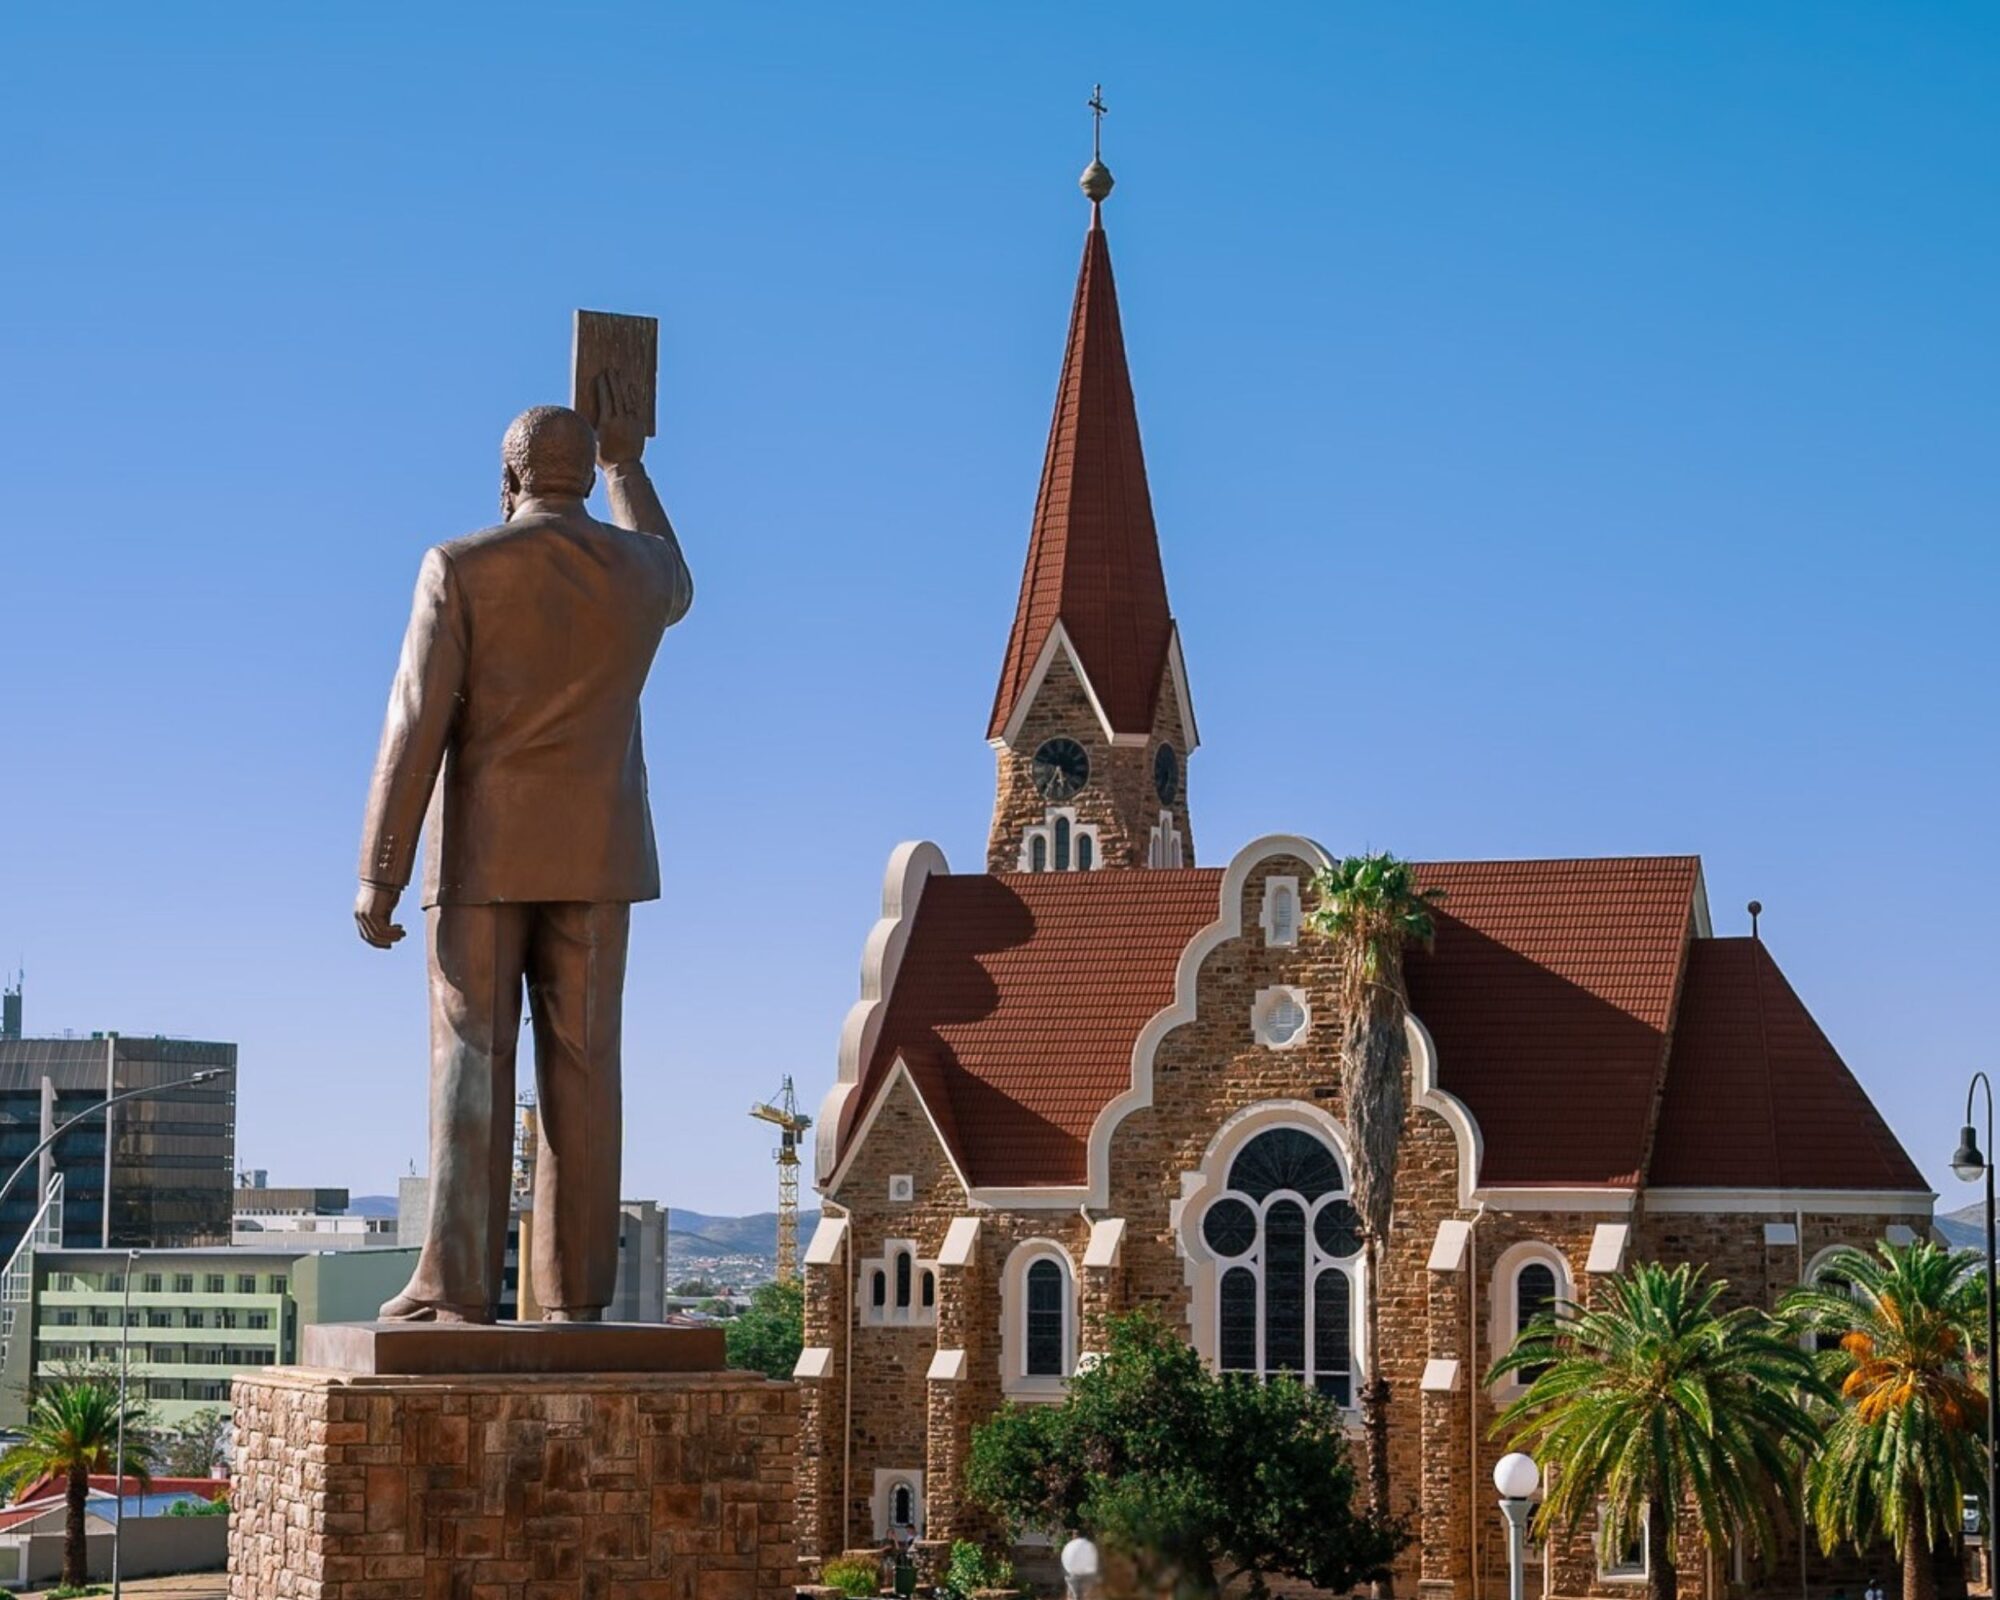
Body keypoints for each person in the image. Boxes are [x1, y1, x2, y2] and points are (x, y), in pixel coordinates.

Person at [355, 383, 692, 1322]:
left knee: (471, 1055)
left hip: (485, 860)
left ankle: (455, 1289)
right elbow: (680, 577)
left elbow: (415, 721)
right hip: (600, 856)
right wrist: (630, 465)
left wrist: (380, 869)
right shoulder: (638, 572)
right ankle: (575, 1298)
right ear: (584, 476)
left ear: (508, 479)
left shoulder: (462, 566)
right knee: (586, 1071)